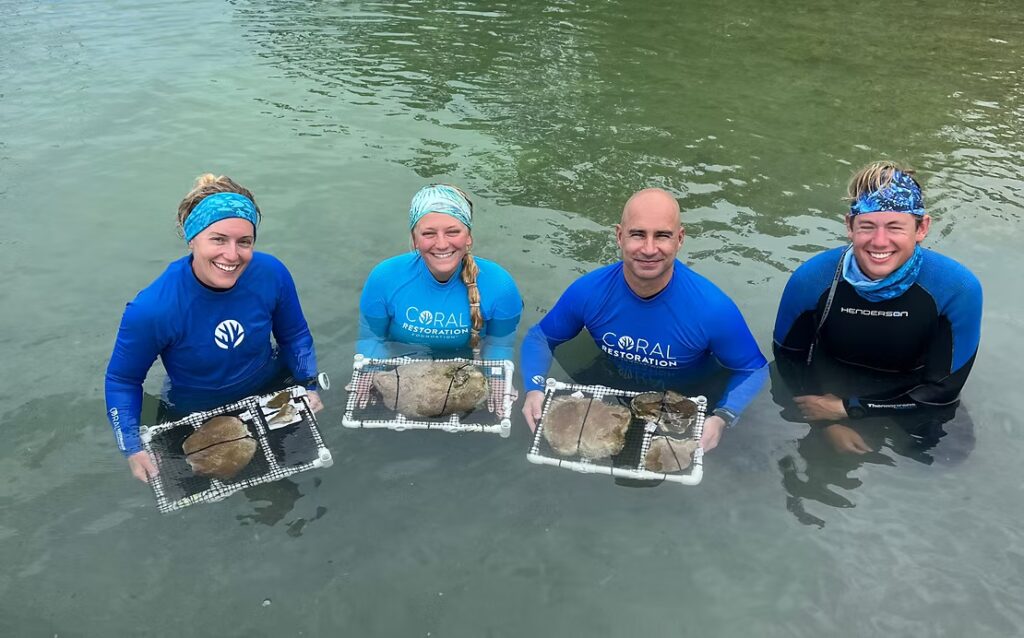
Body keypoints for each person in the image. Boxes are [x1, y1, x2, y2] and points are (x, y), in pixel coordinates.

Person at [105, 174, 322, 483]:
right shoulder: (153, 308)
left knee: (285, 484)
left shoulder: (271, 273)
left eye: (244, 242)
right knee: (204, 484)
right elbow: (122, 380)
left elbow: (294, 336)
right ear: (192, 238)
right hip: (196, 408)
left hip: (269, 388)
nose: (232, 255)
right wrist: (131, 446)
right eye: (218, 239)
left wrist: (308, 384)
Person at [520, 188, 768, 452]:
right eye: (638, 234)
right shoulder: (588, 293)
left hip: (684, 399)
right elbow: (541, 337)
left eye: (662, 235)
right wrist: (533, 389)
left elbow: (753, 368)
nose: (649, 249)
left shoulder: (712, 309)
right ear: (619, 236)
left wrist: (723, 417)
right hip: (614, 386)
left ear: (680, 239)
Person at [772, 161, 983, 455]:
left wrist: (851, 409)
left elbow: (942, 391)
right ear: (849, 226)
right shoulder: (813, 279)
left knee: (947, 456)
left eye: (895, 227)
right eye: (867, 226)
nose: (879, 242)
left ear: (922, 227)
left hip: (912, 391)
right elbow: (787, 361)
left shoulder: (956, 288)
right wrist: (826, 423)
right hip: (829, 381)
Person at [357, 184, 522, 361]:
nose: (442, 244)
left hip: (465, 374)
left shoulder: (500, 285)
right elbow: (372, 338)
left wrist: (498, 383)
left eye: (453, 232)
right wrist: (369, 377)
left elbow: (499, 345)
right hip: (402, 371)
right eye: (429, 233)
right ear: (415, 240)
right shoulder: (384, 278)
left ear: (469, 237)